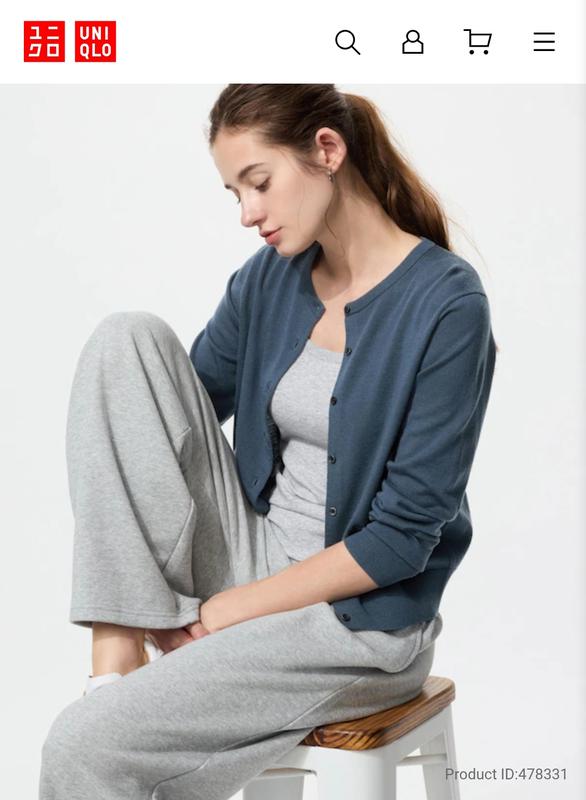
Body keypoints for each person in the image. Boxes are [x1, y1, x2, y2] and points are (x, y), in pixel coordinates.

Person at [39, 84, 497, 799]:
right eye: (235, 193)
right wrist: (158, 599)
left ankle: (116, 702)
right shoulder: (269, 280)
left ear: (326, 151)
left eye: (259, 183)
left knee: (85, 745)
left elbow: (401, 539)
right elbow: (162, 415)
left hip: (356, 624)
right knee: (125, 341)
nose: (248, 213)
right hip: (251, 556)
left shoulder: (446, 305)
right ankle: (115, 658)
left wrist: (222, 614)